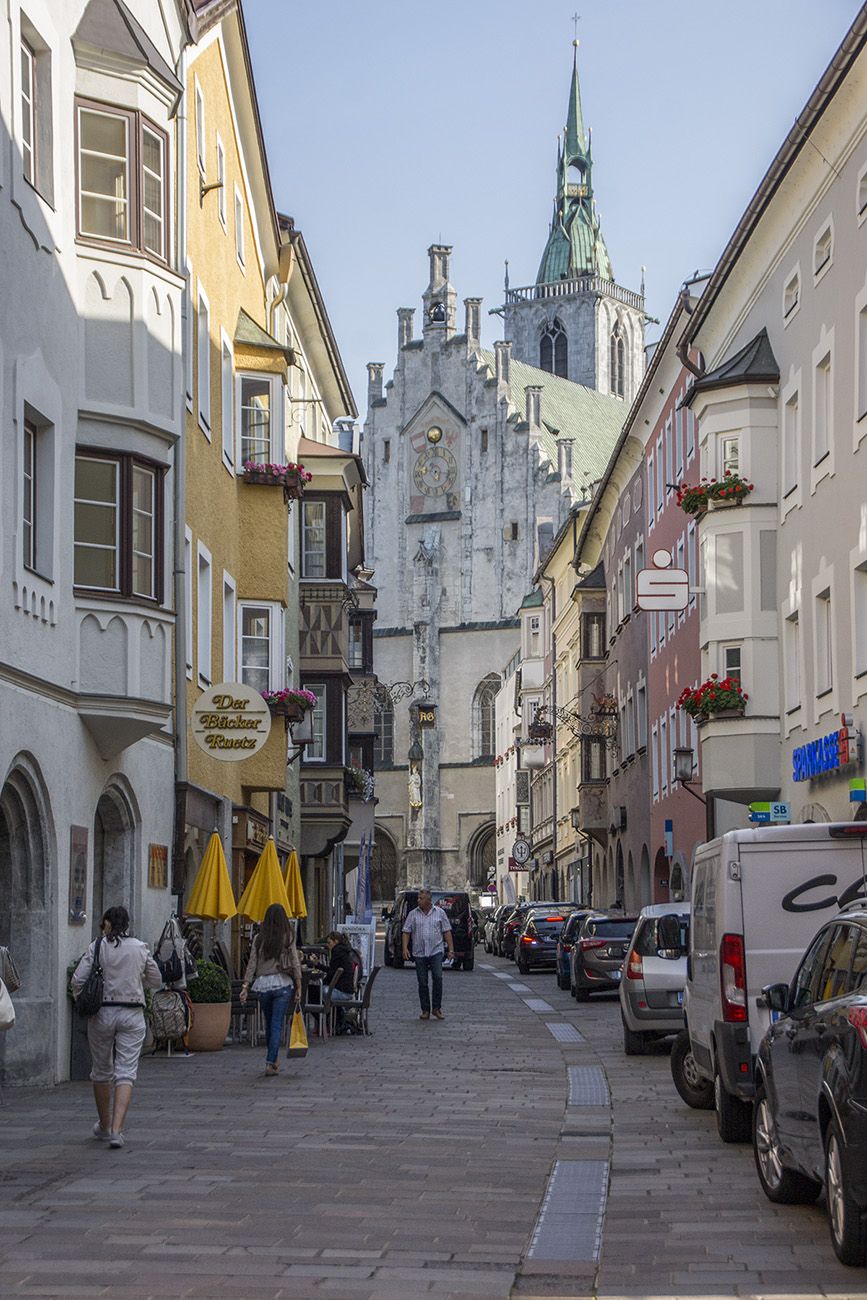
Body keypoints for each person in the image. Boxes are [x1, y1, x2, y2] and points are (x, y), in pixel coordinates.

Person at [71, 906, 162, 1149]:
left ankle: (103, 1124)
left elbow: (77, 980)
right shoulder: (140, 948)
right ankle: (116, 1130)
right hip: (132, 1013)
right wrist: (137, 979)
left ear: (108, 923)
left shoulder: (97, 946)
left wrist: (83, 997)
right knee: (126, 1072)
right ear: (127, 924)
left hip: (102, 1012)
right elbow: (157, 979)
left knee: (101, 1070)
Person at [240, 903, 302, 1076]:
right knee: (276, 1024)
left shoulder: (260, 938)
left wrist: (245, 985)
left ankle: (273, 1060)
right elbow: (295, 962)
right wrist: (299, 985)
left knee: (269, 1023)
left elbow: (252, 963)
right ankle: (270, 1062)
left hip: (262, 985)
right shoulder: (288, 936)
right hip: (282, 983)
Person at [402, 888, 454, 1020]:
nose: (418, 900)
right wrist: (405, 948)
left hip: (436, 950)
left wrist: (451, 950)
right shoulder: (413, 914)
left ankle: (436, 1008)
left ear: (429, 900)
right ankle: (425, 1010)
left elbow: (447, 931)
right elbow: (406, 931)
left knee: (438, 978)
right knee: (422, 982)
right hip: (419, 952)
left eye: (421, 898)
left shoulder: (440, 913)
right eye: (418, 898)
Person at [324, 931, 359, 1033]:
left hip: (342, 992)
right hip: (346, 990)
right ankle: (333, 1022)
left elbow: (331, 975)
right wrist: (318, 965)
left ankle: (328, 1023)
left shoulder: (337, 952)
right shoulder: (344, 951)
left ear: (336, 941)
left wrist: (323, 982)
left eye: (329, 943)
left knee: (318, 993)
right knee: (319, 991)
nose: (328, 945)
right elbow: (332, 970)